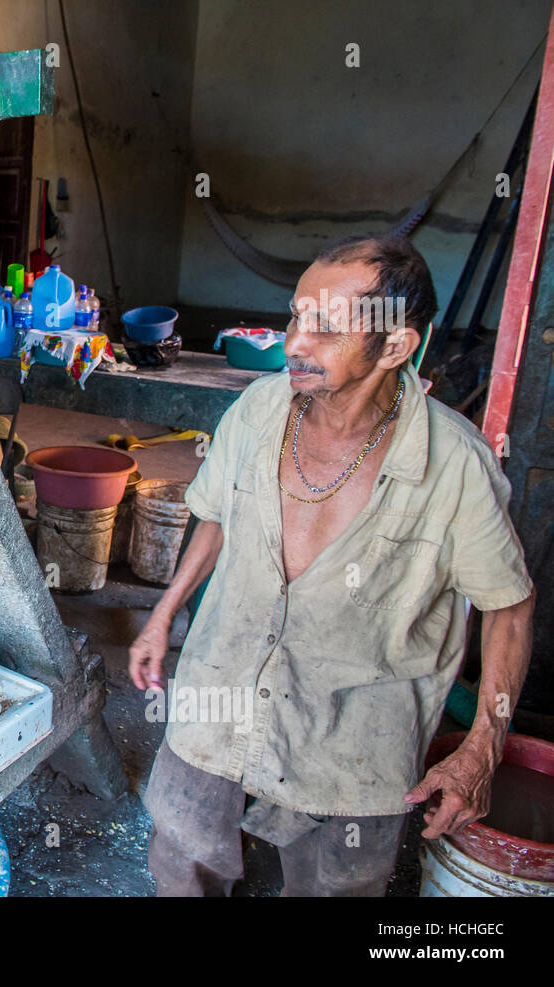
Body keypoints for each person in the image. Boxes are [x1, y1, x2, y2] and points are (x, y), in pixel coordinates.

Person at [129, 235, 534, 896]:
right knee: (180, 862)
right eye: (294, 316)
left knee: (333, 888)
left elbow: (509, 604)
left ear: (396, 347)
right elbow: (216, 514)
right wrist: (164, 613)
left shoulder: (455, 465)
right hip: (217, 706)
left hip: (352, 750)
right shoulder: (260, 409)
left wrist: (483, 746)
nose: (294, 342)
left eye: (324, 327)